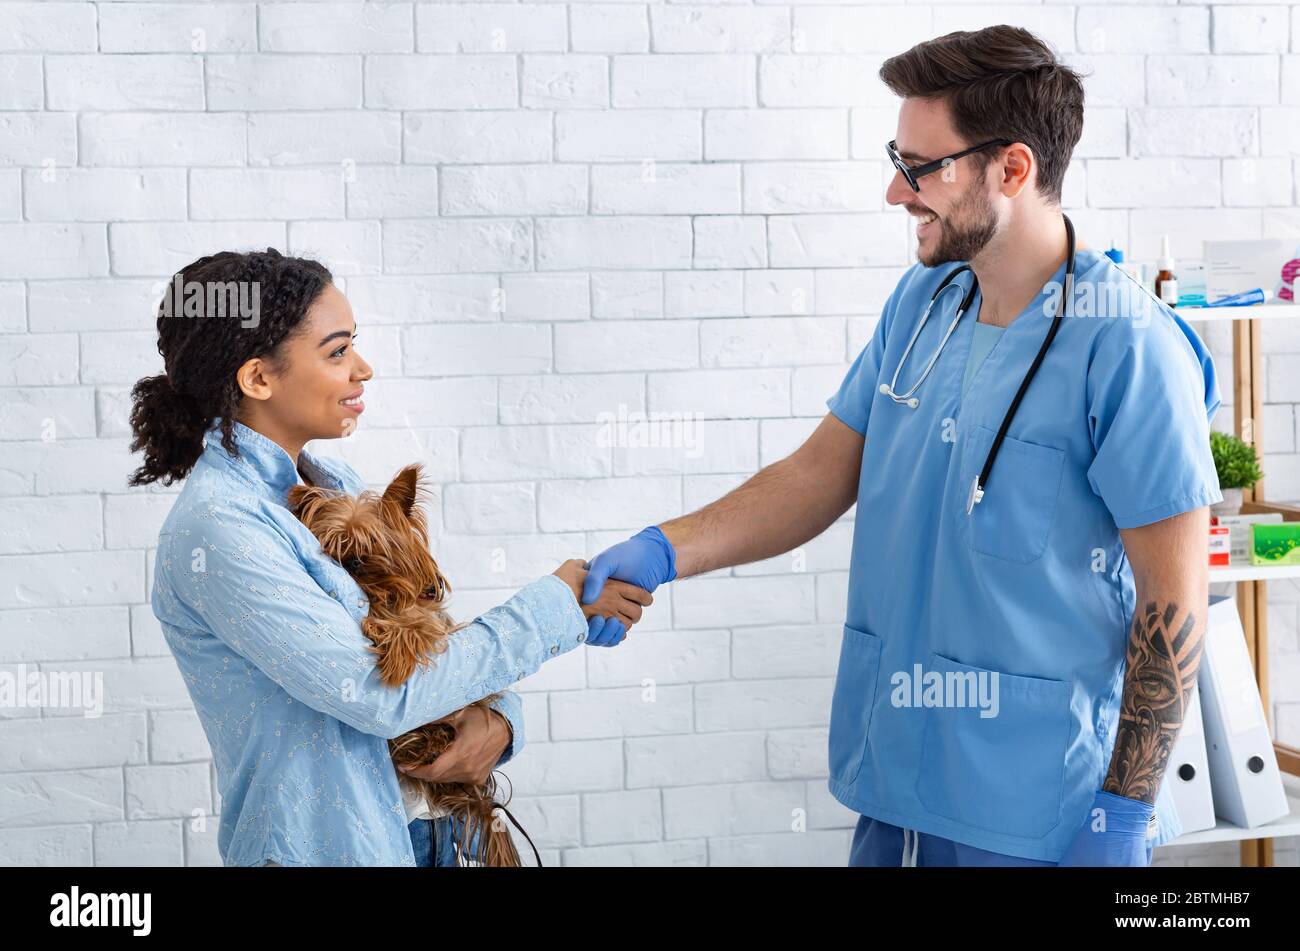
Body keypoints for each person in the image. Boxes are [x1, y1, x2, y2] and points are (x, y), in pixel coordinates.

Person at [579, 26, 1222, 866]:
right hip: (898, 788)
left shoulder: (1129, 345)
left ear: (1013, 170)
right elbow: (817, 475)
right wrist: (666, 550)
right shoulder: (924, 302)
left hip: (1042, 816)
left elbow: (1172, 608)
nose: (895, 191)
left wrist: (1121, 816)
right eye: (898, 158)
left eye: (923, 168)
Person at [129, 249, 651, 866]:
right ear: (258, 379)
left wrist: (499, 720)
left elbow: (426, 635)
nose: (363, 369)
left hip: (422, 833)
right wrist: (554, 609)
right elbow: (376, 692)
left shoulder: (332, 485)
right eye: (337, 351)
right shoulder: (220, 529)